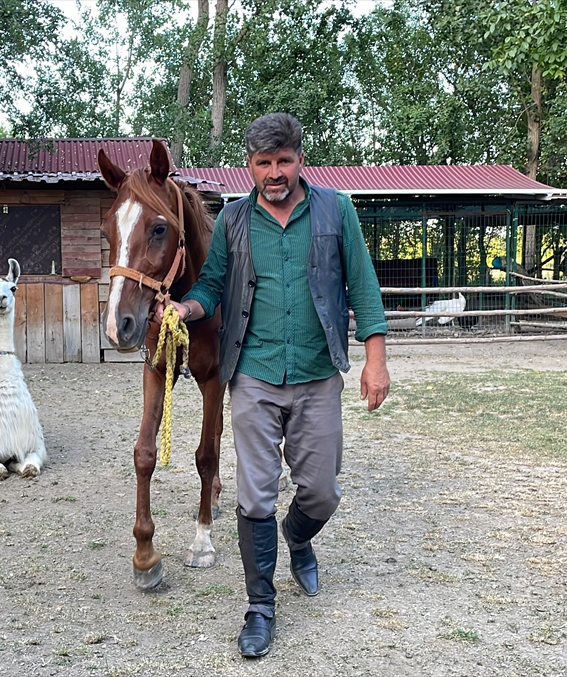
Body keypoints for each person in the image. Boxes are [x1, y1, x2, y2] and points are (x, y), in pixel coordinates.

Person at [157, 112, 390, 657]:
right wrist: (186, 308)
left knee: (322, 490)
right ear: (250, 166)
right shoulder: (235, 220)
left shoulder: (336, 210)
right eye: (264, 163)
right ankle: (260, 607)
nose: (275, 172)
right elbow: (212, 284)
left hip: (316, 375)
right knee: (255, 495)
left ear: (300, 159)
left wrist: (375, 359)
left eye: (284, 160)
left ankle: (300, 537)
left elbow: (364, 285)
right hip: (254, 378)